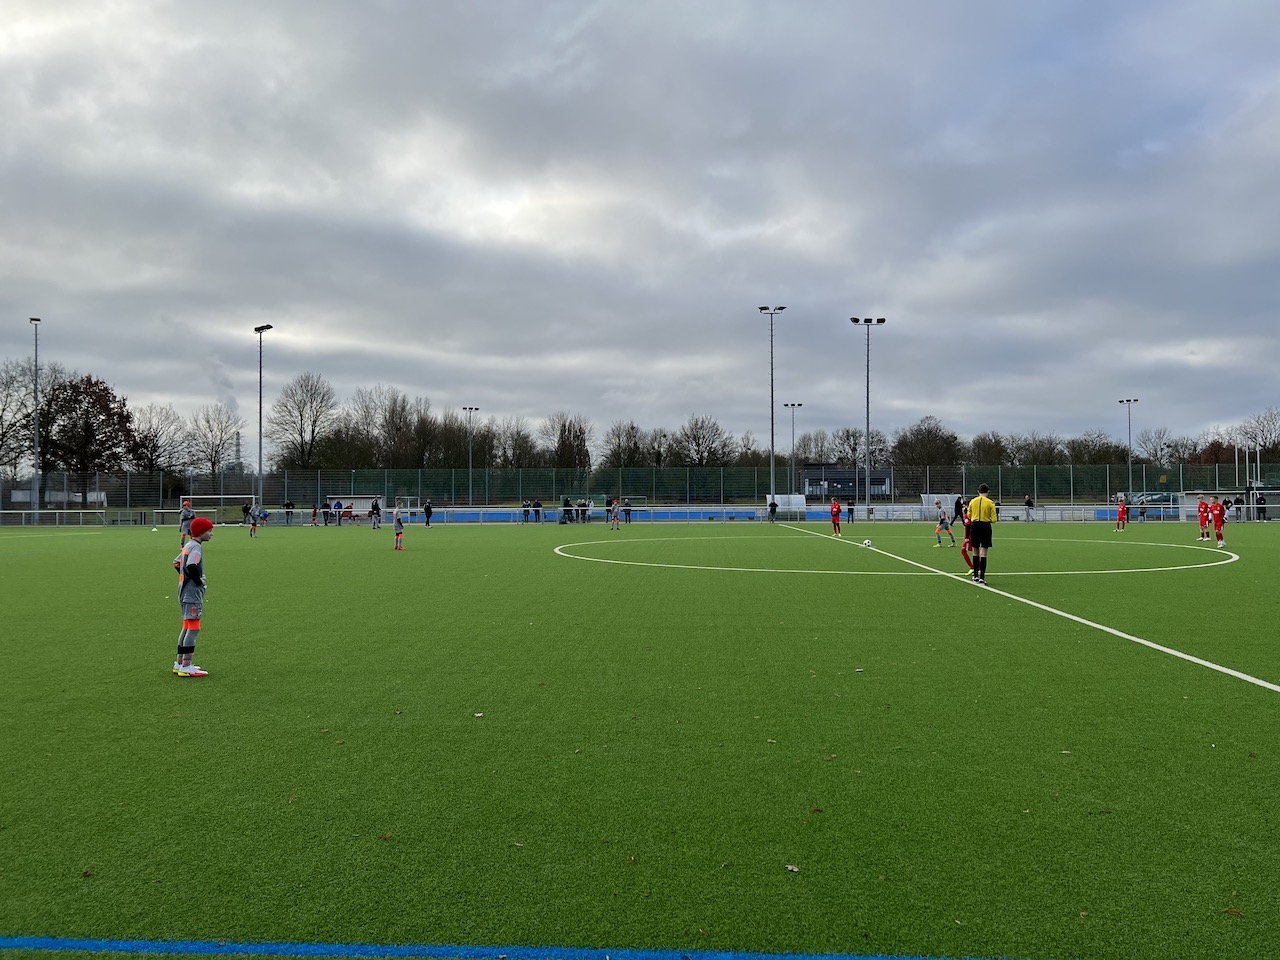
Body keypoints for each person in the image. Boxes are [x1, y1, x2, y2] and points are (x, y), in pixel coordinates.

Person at [172, 516, 215, 677]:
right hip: (192, 594)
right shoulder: (196, 547)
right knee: (194, 628)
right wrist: (198, 581)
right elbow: (191, 565)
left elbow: (177, 563)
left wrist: (185, 577)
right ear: (201, 532)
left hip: (183, 592)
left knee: (186, 626)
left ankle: (179, 663)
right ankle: (186, 666)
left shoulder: (188, 545)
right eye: (209, 531)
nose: (211, 534)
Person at [967, 483, 997, 585]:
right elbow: (994, 519)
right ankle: (982, 577)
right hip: (985, 526)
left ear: (978, 491)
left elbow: (969, 515)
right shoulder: (990, 503)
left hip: (975, 526)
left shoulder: (972, 501)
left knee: (975, 550)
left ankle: (975, 575)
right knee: (984, 551)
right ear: (988, 492)